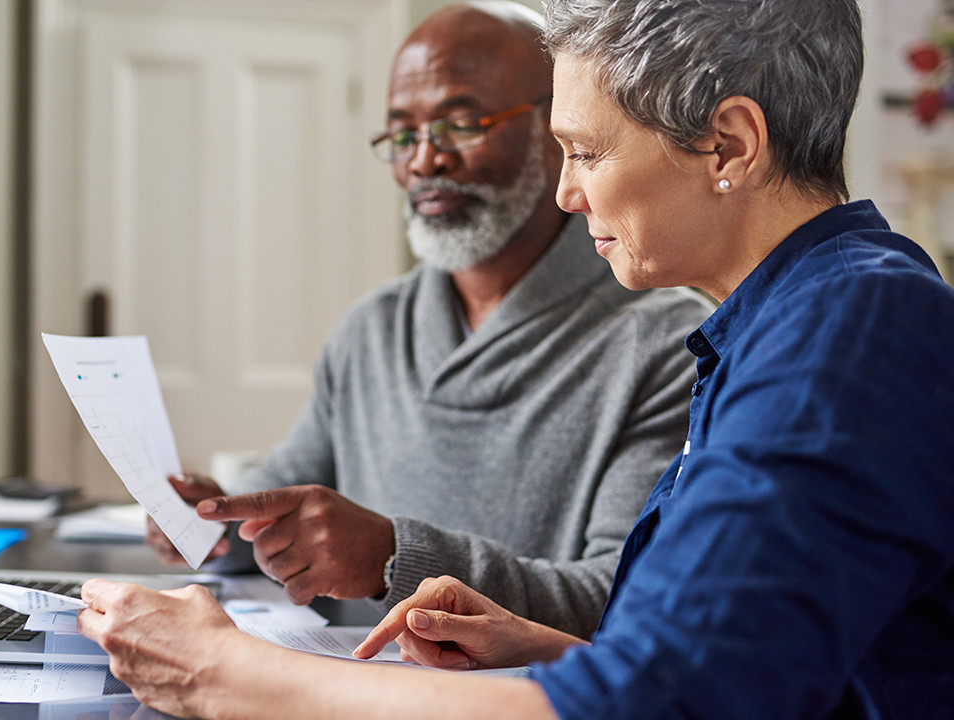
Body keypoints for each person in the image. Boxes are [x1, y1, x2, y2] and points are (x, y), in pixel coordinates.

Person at [79, 0, 954, 717]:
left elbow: (663, 702)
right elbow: (736, 671)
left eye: (586, 151)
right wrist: (543, 647)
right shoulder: (781, 323)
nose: (569, 190)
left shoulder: (849, 326)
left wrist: (226, 675)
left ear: (727, 144)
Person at [145, 0, 712, 638]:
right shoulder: (372, 330)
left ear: (556, 131)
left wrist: (395, 558)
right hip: (343, 686)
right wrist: (216, 519)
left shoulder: (668, 344)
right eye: (403, 134)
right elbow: (286, 504)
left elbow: (622, 592)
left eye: (462, 123)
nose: (423, 161)